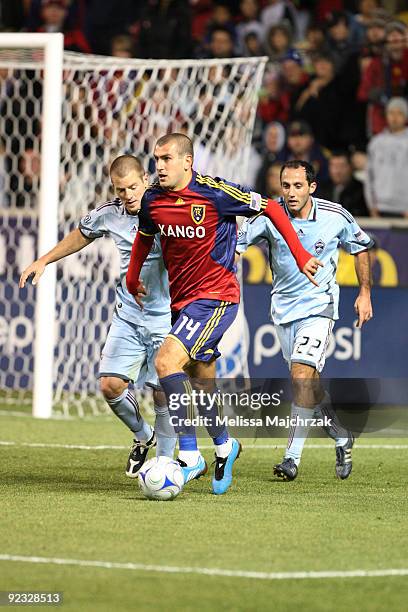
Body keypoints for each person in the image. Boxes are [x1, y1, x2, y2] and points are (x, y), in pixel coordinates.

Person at [126, 133, 321, 495]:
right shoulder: (153, 199)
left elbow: (274, 209)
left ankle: (189, 455)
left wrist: (300, 255)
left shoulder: (216, 193)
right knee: (201, 380)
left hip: (217, 296)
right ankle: (224, 445)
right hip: (182, 301)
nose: (160, 166)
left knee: (166, 362)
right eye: (156, 159)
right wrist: (132, 276)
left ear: (187, 161)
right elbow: (144, 236)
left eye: (167, 159)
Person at [19, 155, 177, 477]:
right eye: (121, 190)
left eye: (133, 187)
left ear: (145, 180)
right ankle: (143, 436)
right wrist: (45, 260)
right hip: (128, 315)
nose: (129, 195)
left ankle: (165, 462)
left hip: (167, 316)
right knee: (110, 385)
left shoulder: (167, 209)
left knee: (163, 390)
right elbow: (80, 234)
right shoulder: (110, 215)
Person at [236, 160, 374, 481]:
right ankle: (341, 436)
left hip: (319, 307)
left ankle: (291, 459)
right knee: (308, 386)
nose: (291, 193)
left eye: (298, 186)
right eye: (286, 186)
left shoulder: (334, 215)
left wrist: (364, 292)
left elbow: (362, 247)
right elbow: (235, 246)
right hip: (283, 310)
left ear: (312, 187)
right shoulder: (270, 216)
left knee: (300, 376)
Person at [365, 97, 408, 217]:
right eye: (391, 113)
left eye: (399, 113)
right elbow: (369, 177)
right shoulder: (376, 143)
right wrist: (371, 205)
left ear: (405, 116)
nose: (395, 117)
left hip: (404, 208)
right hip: (379, 208)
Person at [318, 151, 369, 217]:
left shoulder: (361, 190)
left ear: (350, 167)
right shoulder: (322, 188)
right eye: (334, 166)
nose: (337, 171)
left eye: (342, 166)